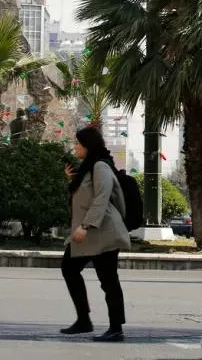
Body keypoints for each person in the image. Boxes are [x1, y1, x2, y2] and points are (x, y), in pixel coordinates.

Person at [60, 126, 131, 342]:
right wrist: (71, 179)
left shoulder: (100, 166)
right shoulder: (88, 167)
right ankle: (84, 320)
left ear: (88, 146)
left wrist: (85, 226)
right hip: (90, 232)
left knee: (108, 280)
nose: (75, 147)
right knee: (69, 268)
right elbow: (84, 196)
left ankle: (116, 328)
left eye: (78, 144)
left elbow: (102, 197)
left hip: (103, 232)